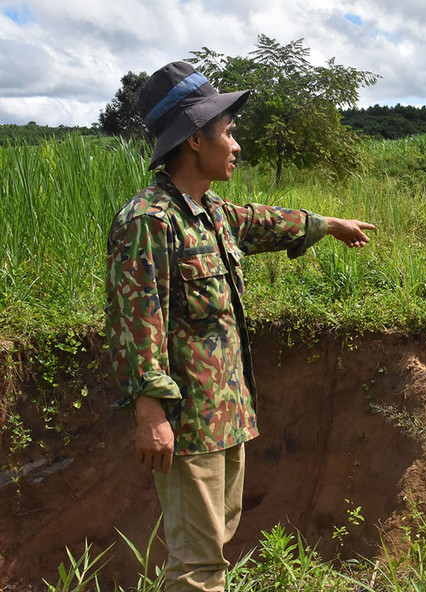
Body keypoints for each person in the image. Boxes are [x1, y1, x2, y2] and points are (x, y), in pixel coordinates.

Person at [104, 61, 375, 592]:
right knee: (199, 568)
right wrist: (149, 409)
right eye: (227, 132)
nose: (237, 144)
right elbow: (136, 322)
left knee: (212, 550)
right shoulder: (149, 220)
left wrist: (328, 225)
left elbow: (262, 220)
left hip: (225, 415)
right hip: (187, 424)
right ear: (193, 141)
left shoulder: (209, 212)